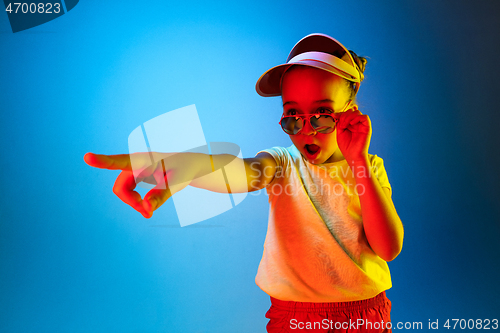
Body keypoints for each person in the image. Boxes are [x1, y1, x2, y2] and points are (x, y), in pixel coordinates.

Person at [84, 33, 404, 332]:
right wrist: (183, 165)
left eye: (322, 114)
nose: (307, 130)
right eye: (292, 116)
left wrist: (358, 161)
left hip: (361, 316)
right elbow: (237, 172)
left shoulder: (369, 168)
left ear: (351, 113)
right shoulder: (281, 164)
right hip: (292, 317)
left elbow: (388, 248)